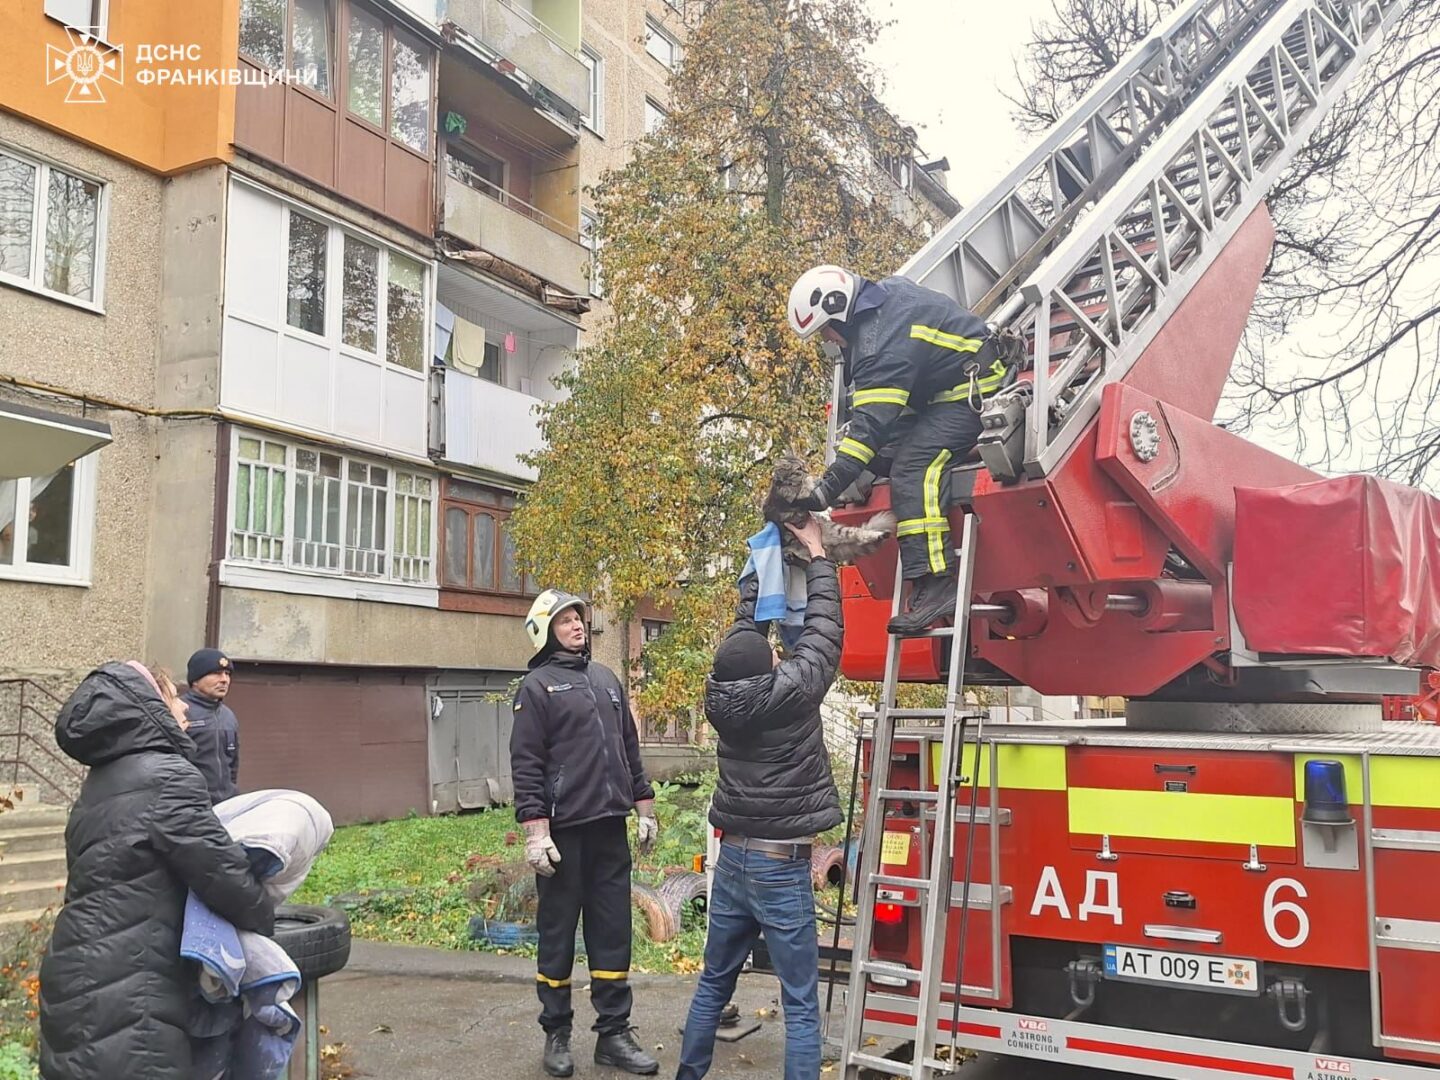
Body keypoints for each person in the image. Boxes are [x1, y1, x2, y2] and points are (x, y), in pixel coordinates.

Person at [39, 661, 276, 1080]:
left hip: (77, 969)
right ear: (152, 707)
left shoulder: (102, 781)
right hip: (133, 986)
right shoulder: (168, 777)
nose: (185, 711)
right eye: (174, 699)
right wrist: (264, 917)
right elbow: (222, 874)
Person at [677, 515, 844, 1080]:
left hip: (734, 864)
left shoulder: (721, 697)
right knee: (800, 1003)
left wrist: (759, 570)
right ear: (768, 666)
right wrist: (818, 555)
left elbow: (742, 634)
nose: (778, 651)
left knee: (712, 984)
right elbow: (822, 633)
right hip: (779, 866)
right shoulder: (792, 692)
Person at [786, 264, 1012, 633]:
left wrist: (825, 490)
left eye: (825, 329)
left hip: (973, 393)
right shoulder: (884, 305)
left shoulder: (880, 343)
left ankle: (936, 581)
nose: (828, 339)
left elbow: (870, 426)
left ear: (840, 312)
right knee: (880, 455)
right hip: (944, 390)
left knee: (913, 468)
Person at [510, 589, 661, 1078]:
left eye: (578, 618)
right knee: (557, 935)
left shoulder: (605, 680)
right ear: (544, 632)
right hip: (563, 835)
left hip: (609, 830)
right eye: (564, 621)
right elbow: (527, 764)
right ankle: (556, 1032)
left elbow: (629, 750)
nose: (577, 626)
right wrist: (536, 832)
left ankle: (614, 1034)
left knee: (612, 931)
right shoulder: (536, 687)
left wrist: (645, 809)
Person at [183, 648, 241, 804]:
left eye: (227, 674)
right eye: (216, 673)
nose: (224, 680)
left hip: (227, 805)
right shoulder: (180, 712)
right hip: (192, 806)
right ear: (195, 680)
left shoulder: (228, 716)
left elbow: (233, 765)